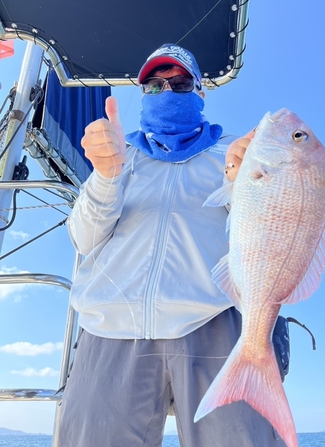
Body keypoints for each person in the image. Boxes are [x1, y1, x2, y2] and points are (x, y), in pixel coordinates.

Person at [57, 44, 288, 447]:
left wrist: (241, 181)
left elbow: (267, 235)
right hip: (111, 326)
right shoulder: (117, 152)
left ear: (200, 93)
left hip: (213, 322)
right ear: (142, 92)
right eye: (153, 85)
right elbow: (83, 238)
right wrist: (106, 177)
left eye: (180, 83)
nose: (166, 91)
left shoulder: (239, 153)